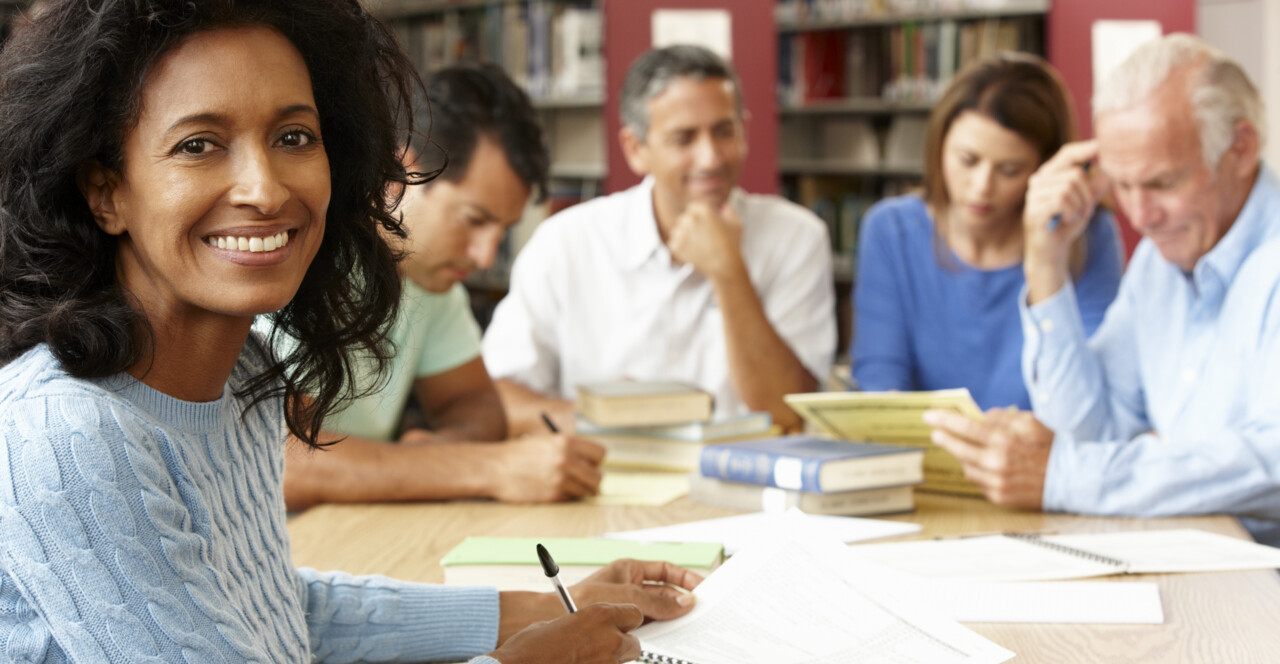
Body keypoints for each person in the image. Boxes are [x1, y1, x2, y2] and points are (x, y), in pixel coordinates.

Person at [0, 2, 700, 664]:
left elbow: (277, 606)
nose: (267, 189)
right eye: (198, 145)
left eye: (294, 136)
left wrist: (549, 606)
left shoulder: (242, 375)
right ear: (105, 190)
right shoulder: (70, 434)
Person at [923, 34, 1280, 544]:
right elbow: (1090, 429)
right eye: (1121, 184)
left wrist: (1065, 474)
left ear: (1240, 149)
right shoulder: (1161, 262)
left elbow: (1272, 463)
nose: (1139, 216)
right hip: (1181, 558)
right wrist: (1045, 261)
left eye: (1161, 183)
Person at [265, 64, 606, 510]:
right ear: (397, 175)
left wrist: (432, 460)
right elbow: (280, 460)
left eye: (502, 229)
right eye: (474, 220)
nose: (486, 256)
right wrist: (481, 468)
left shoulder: (431, 278)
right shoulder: (297, 261)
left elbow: (478, 409)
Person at [482, 44, 836, 434]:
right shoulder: (566, 242)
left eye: (724, 132)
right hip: (604, 480)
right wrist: (607, 415)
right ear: (636, 150)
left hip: (743, 480)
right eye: (684, 139)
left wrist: (729, 273)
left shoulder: (797, 237)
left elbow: (787, 416)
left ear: (745, 131)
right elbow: (497, 401)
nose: (711, 158)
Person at [852, 52, 1124, 411]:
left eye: (1009, 170)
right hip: (919, 456)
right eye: (967, 160)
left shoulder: (1087, 236)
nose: (981, 187)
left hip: (1036, 461)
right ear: (939, 146)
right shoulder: (891, 230)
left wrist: (1046, 259)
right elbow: (879, 382)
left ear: (1043, 170)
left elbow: (1088, 400)